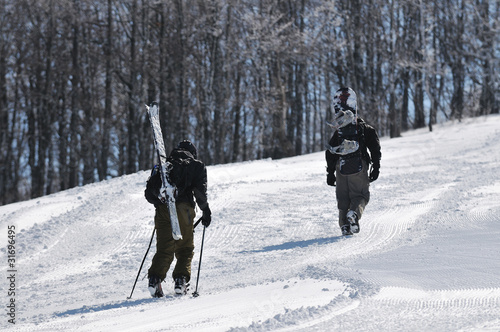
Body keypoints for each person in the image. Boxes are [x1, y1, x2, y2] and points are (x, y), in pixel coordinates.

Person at [148, 140, 211, 297]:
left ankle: (155, 279)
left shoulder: (163, 166)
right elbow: (199, 192)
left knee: (164, 248)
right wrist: (206, 210)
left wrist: (161, 201)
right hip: (184, 209)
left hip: (163, 209)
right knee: (184, 248)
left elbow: (149, 194)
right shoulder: (196, 165)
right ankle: (181, 281)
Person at [325, 87, 381, 236]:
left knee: (343, 199)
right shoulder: (367, 129)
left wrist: (330, 173)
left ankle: (344, 225)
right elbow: (375, 150)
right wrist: (376, 168)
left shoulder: (339, 132)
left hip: (341, 167)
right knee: (360, 196)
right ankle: (354, 215)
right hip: (358, 166)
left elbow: (330, 152)